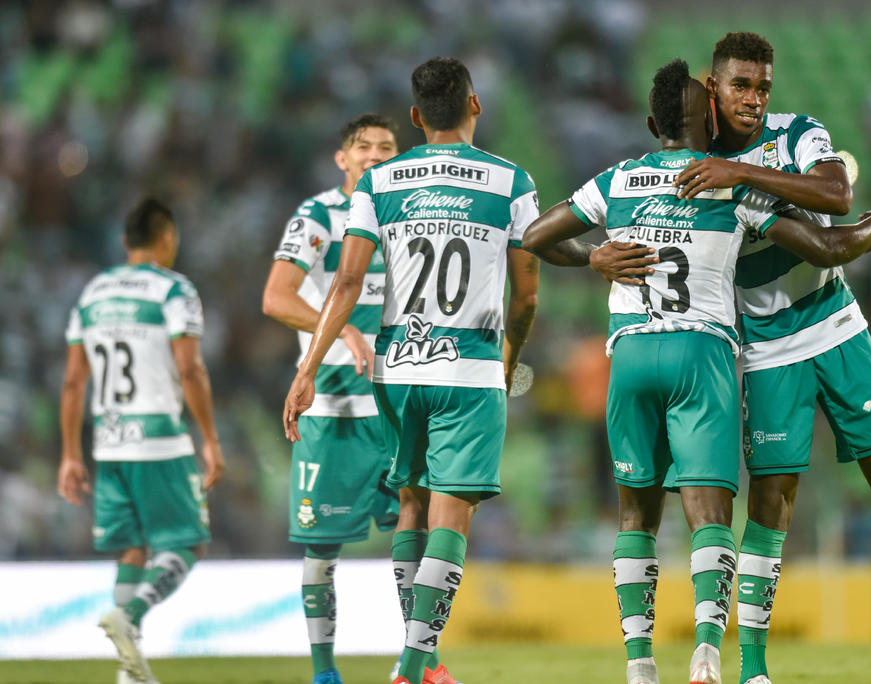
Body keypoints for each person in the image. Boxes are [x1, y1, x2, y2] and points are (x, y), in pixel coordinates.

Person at [523, 59, 871, 684]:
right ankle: (705, 654)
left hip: (631, 353)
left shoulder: (617, 179)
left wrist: (594, 258)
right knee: (710, 515)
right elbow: (828, 246)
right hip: (701, 356)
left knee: (634, 517)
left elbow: (534, 236)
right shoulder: (728, 186)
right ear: (711, 120)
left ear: (652, 125)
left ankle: (640, 664)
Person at [668, 32, 871, 684]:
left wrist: (742, 173)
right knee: (772, 507)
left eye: (762, 86)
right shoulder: (694, 165)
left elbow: (836, 193)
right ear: (714, 88)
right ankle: (754, 670)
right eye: (741, 85)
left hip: (837, 323)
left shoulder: (796, 132)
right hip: (767, 348)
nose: (753, 98)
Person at [283, 56, 540, 684]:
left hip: (395, 369)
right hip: (468, 367)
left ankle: (415, 661)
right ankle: (414, 664)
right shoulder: (511, 181)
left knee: (411, 504)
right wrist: (508, 358)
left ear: (416, 116)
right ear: (475, 105)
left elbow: (346, 282)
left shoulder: (378, 181)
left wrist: (307, 368)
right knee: (451, 517)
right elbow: (527, 294)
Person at [58, 198, 225, 684]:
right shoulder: (174, 290)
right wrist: (210, 439)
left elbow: (73, 382)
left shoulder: (92, 293)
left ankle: (128, 674)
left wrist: (70, 454)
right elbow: (190, 368)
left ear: (124, 241)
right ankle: (130, 616)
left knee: (132, 550)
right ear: (167, 237)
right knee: (188, 543)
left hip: (109, 441)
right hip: (159, 440)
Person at [261, 114, 402, 684]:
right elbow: (276, 296)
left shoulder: (411, 214)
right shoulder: (319, 216)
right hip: (335, 411)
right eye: (363, 147)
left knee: (415, 535)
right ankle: (324, 673)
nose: (375, 155)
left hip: (398, 406)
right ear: (342, 159)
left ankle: (419, 661)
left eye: (386, 147)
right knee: (322, 549)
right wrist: (341, 328)